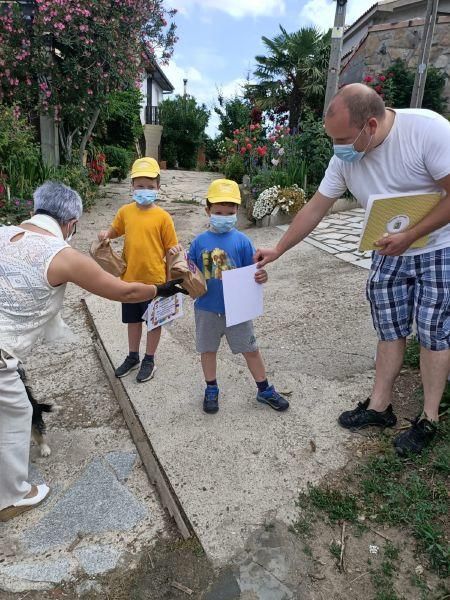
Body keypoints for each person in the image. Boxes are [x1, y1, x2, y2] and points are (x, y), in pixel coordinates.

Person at [255, 83, 450, 456]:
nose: (336, 147)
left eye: (343, 138)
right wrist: (279, 248)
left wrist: (412, 235)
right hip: (388, 246)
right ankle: (380, 408)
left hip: (439, 246)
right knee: (389, 327)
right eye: (332, 138)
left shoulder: (428, 130)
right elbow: (316, 207)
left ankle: (428, 418)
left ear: (371, 126)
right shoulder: (345, 158)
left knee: (432, 331)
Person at [0, 181, 184, 521]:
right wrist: (160, 288)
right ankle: (12, 496)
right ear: (72, 223)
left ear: (33, 210)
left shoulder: (3, 233)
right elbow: (124, 292)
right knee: (15, 417)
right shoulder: (63, 256)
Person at [176, 178, 289, 414]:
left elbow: (255, 271)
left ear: (237, 211)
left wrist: (262, 277)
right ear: (207, 210)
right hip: (207, 308)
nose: (224, 216)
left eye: (230, 212)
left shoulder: (243, 241)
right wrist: (177, 261)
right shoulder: (198, 243)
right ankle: (211, 388)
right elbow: (190, 274)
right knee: (208, 350)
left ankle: (264, 388)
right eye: (218, 211)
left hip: (238, 310)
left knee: (251, 349)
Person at [98, 157, 181, 383]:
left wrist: (175, 259)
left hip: (156, 282)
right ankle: (133, 356)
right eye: (140, 186)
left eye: (150, 187)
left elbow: (171, 248)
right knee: (132, 321)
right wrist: (106, 235)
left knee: (154, 322)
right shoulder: (125, 212)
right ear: (132, 186)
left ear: (158, 187)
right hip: (130, 280)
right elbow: (116, 230)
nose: (145, 190)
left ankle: (149, 359)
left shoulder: (163, 217)